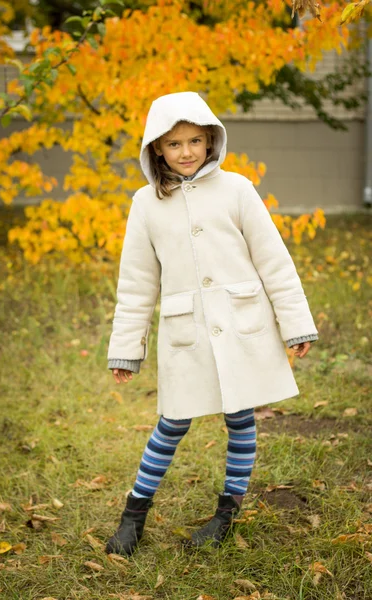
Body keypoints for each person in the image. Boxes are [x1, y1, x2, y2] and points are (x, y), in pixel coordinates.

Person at [106, 91, 318, 556]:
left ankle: (227, 512)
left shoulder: (238, 189)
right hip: (187, 332)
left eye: (195, 141)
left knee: (241, 418)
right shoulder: (145, 204)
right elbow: (138, 282)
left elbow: (274, 260)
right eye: (175, 143)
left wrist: (295, 323)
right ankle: (134, 514)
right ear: (157, 148)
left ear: (211, 140)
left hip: (242, 324)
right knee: (172, 422)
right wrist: (127, 348)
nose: (186, 152)